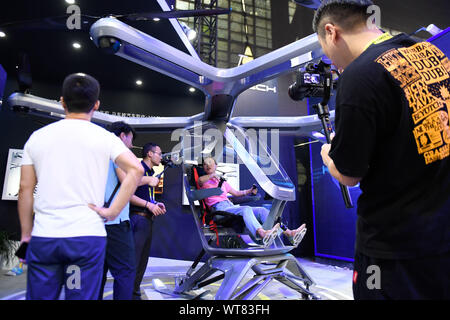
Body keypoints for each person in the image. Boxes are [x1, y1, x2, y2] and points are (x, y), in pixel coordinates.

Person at [315, 0, 450, 299]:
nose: (331, 60)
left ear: (331, 32)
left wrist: (329, 154)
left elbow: (349, 174)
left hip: (393, 251)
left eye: (324, 49)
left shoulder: (359, 75)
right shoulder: (431, 54)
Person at [18, 73, 143, 300]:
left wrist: (26, 234)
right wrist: (112, 211)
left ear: (62, 101)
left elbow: (25, 189)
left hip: (45, 239)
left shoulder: (37, 137)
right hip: (85, 240)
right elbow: (137, 170)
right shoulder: (105, 138)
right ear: (96, 104)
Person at [198, 157, 306, 247]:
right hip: (219, 210)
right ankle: (261, 233)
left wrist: (250, 191)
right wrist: (212, 175)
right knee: (246, 209)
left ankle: (289, 233)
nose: (207, 164)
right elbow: (200, 181)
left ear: (216, 165)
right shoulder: (203, 181)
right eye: (205, 164)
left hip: (229, 207)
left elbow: (236, 193)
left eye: (210, 162)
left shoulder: (222, 182)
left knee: (262, 211)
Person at [98, 121, 138, 300]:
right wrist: (146, 180)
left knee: (97, 273)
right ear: (123, 135)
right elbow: (128, 180)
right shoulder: (118, 154)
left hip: (94, 223)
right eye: (130, 139)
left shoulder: (97, 153)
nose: (131, 143)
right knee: (124, 272)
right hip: (116, 223)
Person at [129, 142, 167, 300]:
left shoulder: (150, 173)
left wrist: (154, 203)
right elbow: (128, 193)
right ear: (149, 154)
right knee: (135, 263)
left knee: (142, 263)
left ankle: (134, 295)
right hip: (138, 218)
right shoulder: (138, 170)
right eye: (159, 153)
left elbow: (144, 195)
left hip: (147, 220)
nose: (161, 156)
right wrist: (148, 205)